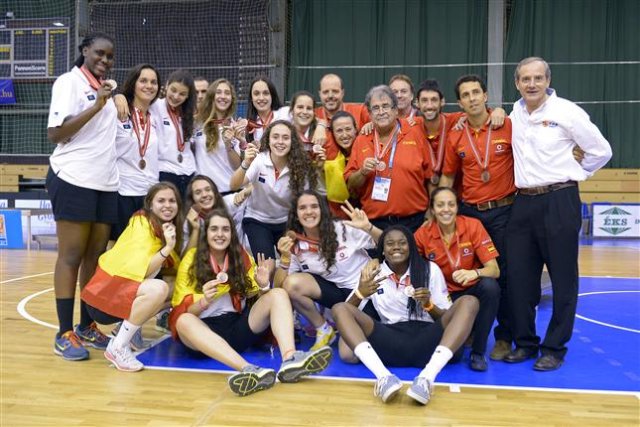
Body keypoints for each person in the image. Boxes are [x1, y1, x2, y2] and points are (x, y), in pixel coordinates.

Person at [504, 57, 612, 371]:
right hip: (522, 203)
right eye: (526, 79)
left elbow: (601, 150)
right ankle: (525, 343)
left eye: (538, 78)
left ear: (548, 80)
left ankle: (554, 348)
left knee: (564, 279)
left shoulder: (567, 111)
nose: (532, 84)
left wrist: (578, 170)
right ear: (517, 83)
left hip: (559, 199)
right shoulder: (516, 113)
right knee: (521, 280)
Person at [169, 209, 333, 396]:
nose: (220, 234)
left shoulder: (241, 256)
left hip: (235, 327)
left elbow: (257, 298)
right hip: (202, 335)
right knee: (183, 320)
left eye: (225, 229)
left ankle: (290, 359)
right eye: (214, 229)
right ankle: (248, 370)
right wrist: (204, 301)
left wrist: (263, 286)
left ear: (232, 233)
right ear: (206, 233)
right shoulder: (191, 259)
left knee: (278, 294)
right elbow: (182, 309)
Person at [332, 225, 479, 404]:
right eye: (390, 243)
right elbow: (345, 314)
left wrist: (429, 305)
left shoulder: (429, 269)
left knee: (469, 301)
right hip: (391, 340)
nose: (396, 247)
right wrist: (360, 294)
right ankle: (384, 377)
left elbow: (447, 319)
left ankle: (426, 378)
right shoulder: (372, 272)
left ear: (411, 247)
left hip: (429, 340)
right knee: (339, 308)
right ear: (383, 250)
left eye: (402, 243)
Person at [46, 32, 118, 361]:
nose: (104, 60)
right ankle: (64, 332)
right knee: (71, 256)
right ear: (85, 50)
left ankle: (87, 325)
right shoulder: (69, 83)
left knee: (95, 257)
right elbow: (56, 134)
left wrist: (110, 100)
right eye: (99, 54)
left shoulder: (106, 89)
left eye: (110, 56)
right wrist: (98, 105)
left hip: (105, 182)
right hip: (73, 178)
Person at [439, 74, 515, 361]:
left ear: (485, 96)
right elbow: (447, 176)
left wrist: (502, 111)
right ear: (460, 103)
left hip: (504, 211)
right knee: (467, 275)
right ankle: (471, 328)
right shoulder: (457, 134)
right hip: (470, 213)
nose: (471, 98)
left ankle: (504, 337)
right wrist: (439, 212)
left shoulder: (505, 125)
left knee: (504, 276)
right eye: (465, 95)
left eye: (476, 92)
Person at [81, 182, 183, 372]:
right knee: (158, 289)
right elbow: (141, 270)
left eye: (172, 201)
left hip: (121, 293)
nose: (167, 205)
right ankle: (118, 346)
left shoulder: (163, 226)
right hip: (105, 299)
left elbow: (177, 268)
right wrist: (168, 248)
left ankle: (129, 332)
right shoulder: (142, 223)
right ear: (150, 204)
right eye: (161, 200)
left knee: (177, 286)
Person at [273, 191, 382, 350]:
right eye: (303, 208)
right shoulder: (295, 243)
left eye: (314, 206)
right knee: (291, 284)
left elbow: (385, 243)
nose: (309, 211)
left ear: (322, 210)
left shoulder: (343, 229)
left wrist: (368, 227)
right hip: (335, 294)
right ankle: (324, 329)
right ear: (296, 215)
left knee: (350, 352)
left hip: (364, 291)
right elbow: (279, 288)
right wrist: (284, 258)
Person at [414, 187, 500, 371]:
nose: (446, 209)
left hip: (470, 290)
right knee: (454, 353)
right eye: (440, 205)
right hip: (442, 296)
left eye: (451, 204)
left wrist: (474, 273)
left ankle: (478, 351)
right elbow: (408, 264)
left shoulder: (473, 225)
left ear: (457, 207)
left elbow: (494, 270)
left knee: (490, 287)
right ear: (432, 209)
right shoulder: (423, 234)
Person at [344, 85, 432, 232]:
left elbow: (431, 177)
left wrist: (431, 213)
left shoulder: (415, 131)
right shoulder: (362, 139)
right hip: (374, 223)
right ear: (370, 114)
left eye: (385, 106)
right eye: (376, 108)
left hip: (414, 221)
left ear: (396, 110)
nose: (381, 112)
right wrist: (362, 172)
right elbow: (351, 186)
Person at [230, 120, 318, 261]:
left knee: (291, 263)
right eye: (275, 137)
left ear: (292, 141)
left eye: (285, 137)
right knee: (267, 266)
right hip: (257, 219)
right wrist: (245, 163)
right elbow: (234, 185)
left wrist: (296, 228)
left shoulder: (300, 166)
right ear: (268, 140)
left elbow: (305, 200)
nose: (280, 142)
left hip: (286, 221)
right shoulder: (259, 160)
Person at [111, 64, 162, 241]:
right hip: (123, 192)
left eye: (154, 82)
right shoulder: (117, 111)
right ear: (133, 83)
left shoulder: (157, 115)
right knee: (118, 246)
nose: (149, 85)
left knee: (146, 247)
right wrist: (116, 97)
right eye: (143, 81)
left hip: (149, 194)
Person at [194, 78, 246, 194]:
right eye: (218, 92)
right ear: (212, 96)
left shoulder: (235, 126)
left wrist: (229, 146)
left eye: (227, 93)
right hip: (205, 193)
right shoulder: (198, 123)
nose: (223, 96)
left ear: (231, 99)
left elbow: (238, 166)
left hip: (228, 192)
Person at [183, 175, 251, 253]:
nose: (204, 195)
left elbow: (256, 188)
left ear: (215, 192)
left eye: (208, 190)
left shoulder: (228, 203)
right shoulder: (190, 221)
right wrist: (195, 229)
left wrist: (246, 191)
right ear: (192, 199)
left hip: (238, 258)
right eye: (198, 192)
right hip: (206, 262)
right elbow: (186, 260)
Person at [312, 73, 370, 146]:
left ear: (342, 93)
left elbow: (380, 123)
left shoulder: (360, 111)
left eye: (335, 91)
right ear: (320, 94)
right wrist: (320, 124)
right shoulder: (312, 115)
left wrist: (371, 124)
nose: (330, 96)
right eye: (325, 92)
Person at [323, 111, 359, 218]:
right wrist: (321, 125)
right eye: (339, 131)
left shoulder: (366, 147)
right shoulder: (329, 152)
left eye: (348, 129)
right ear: (332, 133)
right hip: (338, 212)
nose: (344, 135)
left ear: (356, 129)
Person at [245, 76, 290, 144]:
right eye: (256, 94)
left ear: (272, 95)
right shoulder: (249, 124)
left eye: (266, 93)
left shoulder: (286, 113)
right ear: (251, 98)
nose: (261, 98)